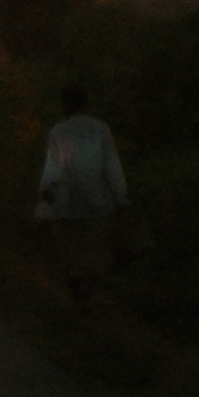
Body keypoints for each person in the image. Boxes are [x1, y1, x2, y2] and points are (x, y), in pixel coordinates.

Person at [33, 81, 129, 305]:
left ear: (65, 105)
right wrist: (121, 196)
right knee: (93, 248)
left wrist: (46, 192)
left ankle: (77, 285)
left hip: (66, 203)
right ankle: (88, 286)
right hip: (97, 202)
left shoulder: (59, 130)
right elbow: (112, 164)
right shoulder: (101, 129)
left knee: (70, 249)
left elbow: (53, 167)